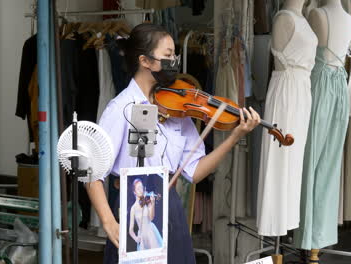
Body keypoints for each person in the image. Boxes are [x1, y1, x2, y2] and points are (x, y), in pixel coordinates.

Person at [89, 23, 261, 263]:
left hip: (170, 206)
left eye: (175, 55)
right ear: (145, 61)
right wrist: (109, 222)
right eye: (168, 56)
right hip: (132, 204)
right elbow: (92, 172)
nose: (175, 62)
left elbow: (195, 171)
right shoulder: (120, 109)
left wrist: (234, 137)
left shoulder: (176, 108)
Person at [129, 178, 163, 251]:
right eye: (138, 188)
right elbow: (130, 230)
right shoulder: (133, 208)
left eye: (141, 187)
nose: (141, 190)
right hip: (141, 236)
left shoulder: (147, 202)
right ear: (134, 192)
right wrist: (136, 238)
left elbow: (151, 218)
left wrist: (153, 204)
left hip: (150, 232)